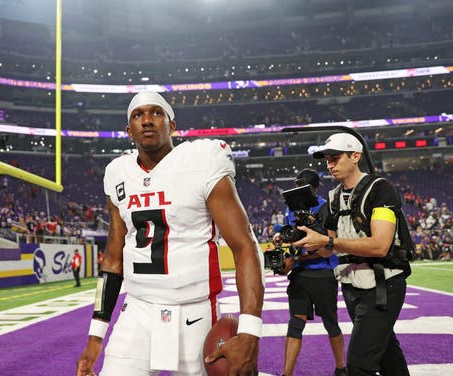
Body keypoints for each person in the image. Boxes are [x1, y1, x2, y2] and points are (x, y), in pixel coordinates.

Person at [76, 91, 265, 376]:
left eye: (156, 112)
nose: (147, 120)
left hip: (196, 311)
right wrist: (95, 336)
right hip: (138, 310)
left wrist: (250, 331)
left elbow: (245, 246)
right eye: (138, 115)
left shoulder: (202, 159)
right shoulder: (118, 173)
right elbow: (113, 260)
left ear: (172, 125)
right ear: (129, 131)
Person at [292, 133, 411, 376]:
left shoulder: (381, 189)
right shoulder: (334, 197)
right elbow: (327, 248)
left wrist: (327, 240)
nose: (329, 164)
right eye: (327, 159)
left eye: (335, 158)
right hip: (351, 286)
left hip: (382, 285)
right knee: (389, 359)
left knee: (358, 365)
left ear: (355, 156)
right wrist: (299, 245)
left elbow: (380, 246)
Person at [272, 169, 346, 376]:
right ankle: (286, 374)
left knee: (331, 323)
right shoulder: (291, 208)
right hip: (300, 274)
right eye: (297, 187)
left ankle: (341, 368)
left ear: (313, 188)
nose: (298, 191)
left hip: (323, 273)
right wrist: (280, 237)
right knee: (295, 324)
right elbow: (291, 236)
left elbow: (326, 250)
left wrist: (295, 258)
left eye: (302, 187)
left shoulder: (326, 207)